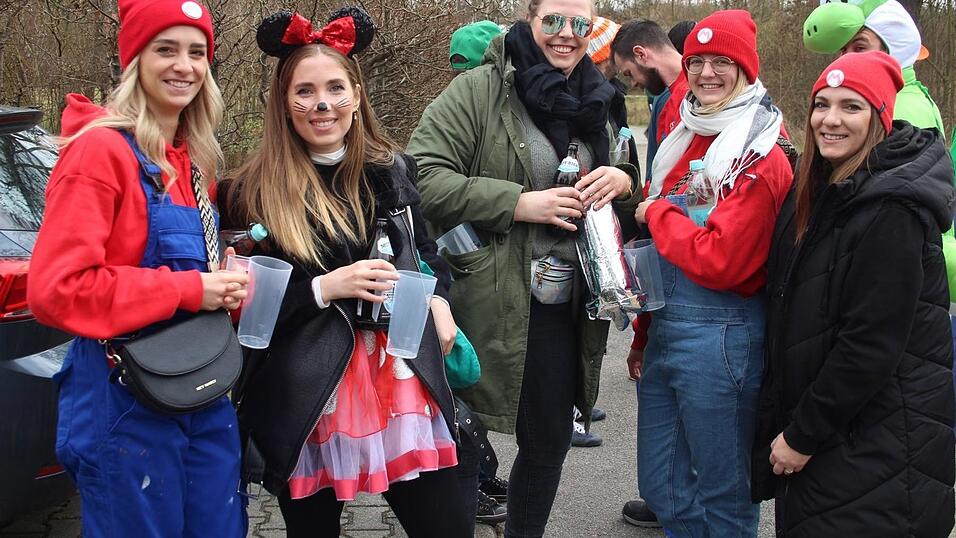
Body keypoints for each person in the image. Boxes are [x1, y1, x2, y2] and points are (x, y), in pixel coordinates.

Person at [222, 8, 469, 537]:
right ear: (285, 104)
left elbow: (425, 254)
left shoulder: (393, 168)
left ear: (356, 94)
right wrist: (323, 287)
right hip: (309, 388)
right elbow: (246, 310)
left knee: (447, 524)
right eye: (305, 92)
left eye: (335, 88)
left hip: (402, 378)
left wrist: (440, 300)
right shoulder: (250, 189)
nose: (322, 104)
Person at [406, 0, 643, 533]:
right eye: (553, 20)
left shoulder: (598, 96)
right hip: (485, 297)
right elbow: (420, 176)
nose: (566, 35)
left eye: (580, 24)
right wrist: (517, 202)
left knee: (550, 437)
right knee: (464, 433)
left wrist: (623, 179)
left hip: (567, 301)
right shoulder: (479, 90)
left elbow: (625, 180)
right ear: (529, 19)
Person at [25, 0, 249, 535]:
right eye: (165, 49)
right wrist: (191, 288)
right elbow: (57, 290)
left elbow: (194, 275)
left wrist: (226, 276)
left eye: (197, 53)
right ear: (134, 61)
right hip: (122, 399)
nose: (184, 66)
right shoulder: (99, 154)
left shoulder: (193, 161)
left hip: (202, 389)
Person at [753, 50, 956, 536]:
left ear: (881, 117)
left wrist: (801, 436)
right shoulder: (820, 189)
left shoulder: (893, 211)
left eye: (851, 106)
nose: (831, 119)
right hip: (836, 435)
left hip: (877, 444)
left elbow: (869, 346)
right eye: (822, 104)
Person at [631, 10, 793, 536]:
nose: (706, 73)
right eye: (697, 61)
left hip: (722, 338)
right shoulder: (687, 135)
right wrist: (642, 333)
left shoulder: (762, 153)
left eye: (721, 61)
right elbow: (665, 250)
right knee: (663, 487)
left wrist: (656, 210)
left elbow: (724, 260)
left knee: (725, 496)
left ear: (746, 68)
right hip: (667, 329)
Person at [447, 17, 511, 525]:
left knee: (471, 380)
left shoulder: (486, 102)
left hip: (471, 258)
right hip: (460, 261)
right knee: (463, 384)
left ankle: (481, 475)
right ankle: (469, 486)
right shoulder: (467, 107)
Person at [803, 0, 944, 133]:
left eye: (860, 48)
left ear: (890, 53)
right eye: (843, 50)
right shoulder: (885, 100)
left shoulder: (902, 111)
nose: (847, 59)